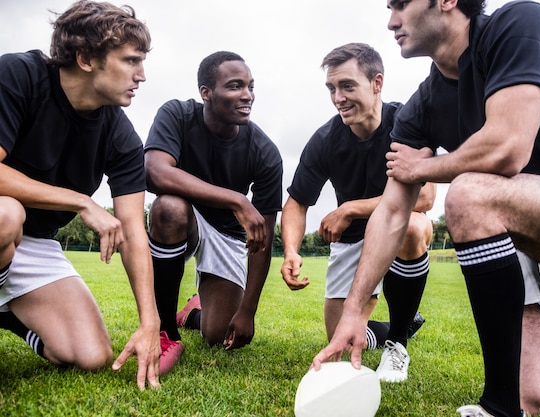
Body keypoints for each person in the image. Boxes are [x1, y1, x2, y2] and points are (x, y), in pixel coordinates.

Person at [312, 1, 540, 416]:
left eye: (401, 4)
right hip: (529, 238)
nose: (391, 21)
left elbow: (507, 147)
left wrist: (423, 168)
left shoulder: (517, 24)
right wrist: (353, 312)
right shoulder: (420, 106)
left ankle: (498, 408)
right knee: (530, 396)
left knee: (469, 193)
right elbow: (392, 212)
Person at [0, 0, 160, 390]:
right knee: (6, 214)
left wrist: (150, 321)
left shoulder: (121, 136)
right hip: (5, 223)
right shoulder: (18, 74)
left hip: (34, 244)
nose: (141, 75)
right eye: (131, 60)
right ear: (86, 58)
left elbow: (133, 232)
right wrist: (82, 201)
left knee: (90, 356)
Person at [281, 43, 434, 383]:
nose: (338, 97)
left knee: (410, 227)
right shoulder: (325, 138)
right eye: (332, 89)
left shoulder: (406, 122)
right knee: (341, 338)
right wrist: (291, 250)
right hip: (351, 242)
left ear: (376, 83)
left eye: (347, 86)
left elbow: (425, 195)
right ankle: (401, 322)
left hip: (397, 228)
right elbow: (296, 202)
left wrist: (351, 208)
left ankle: (397, 343)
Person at [144, 51, 283, 374]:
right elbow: (156, 172)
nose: (247, 95)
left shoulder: (264, 152)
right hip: (188, 218)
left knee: (219, 334)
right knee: (168, 207)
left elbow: (262, 240)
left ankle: (194, 311)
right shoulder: (177, 114)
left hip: (227, 234)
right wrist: (237, 200)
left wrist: (248, 310)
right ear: (206, 92)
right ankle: (166, 330)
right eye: (235, 86)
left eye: (250, 87)